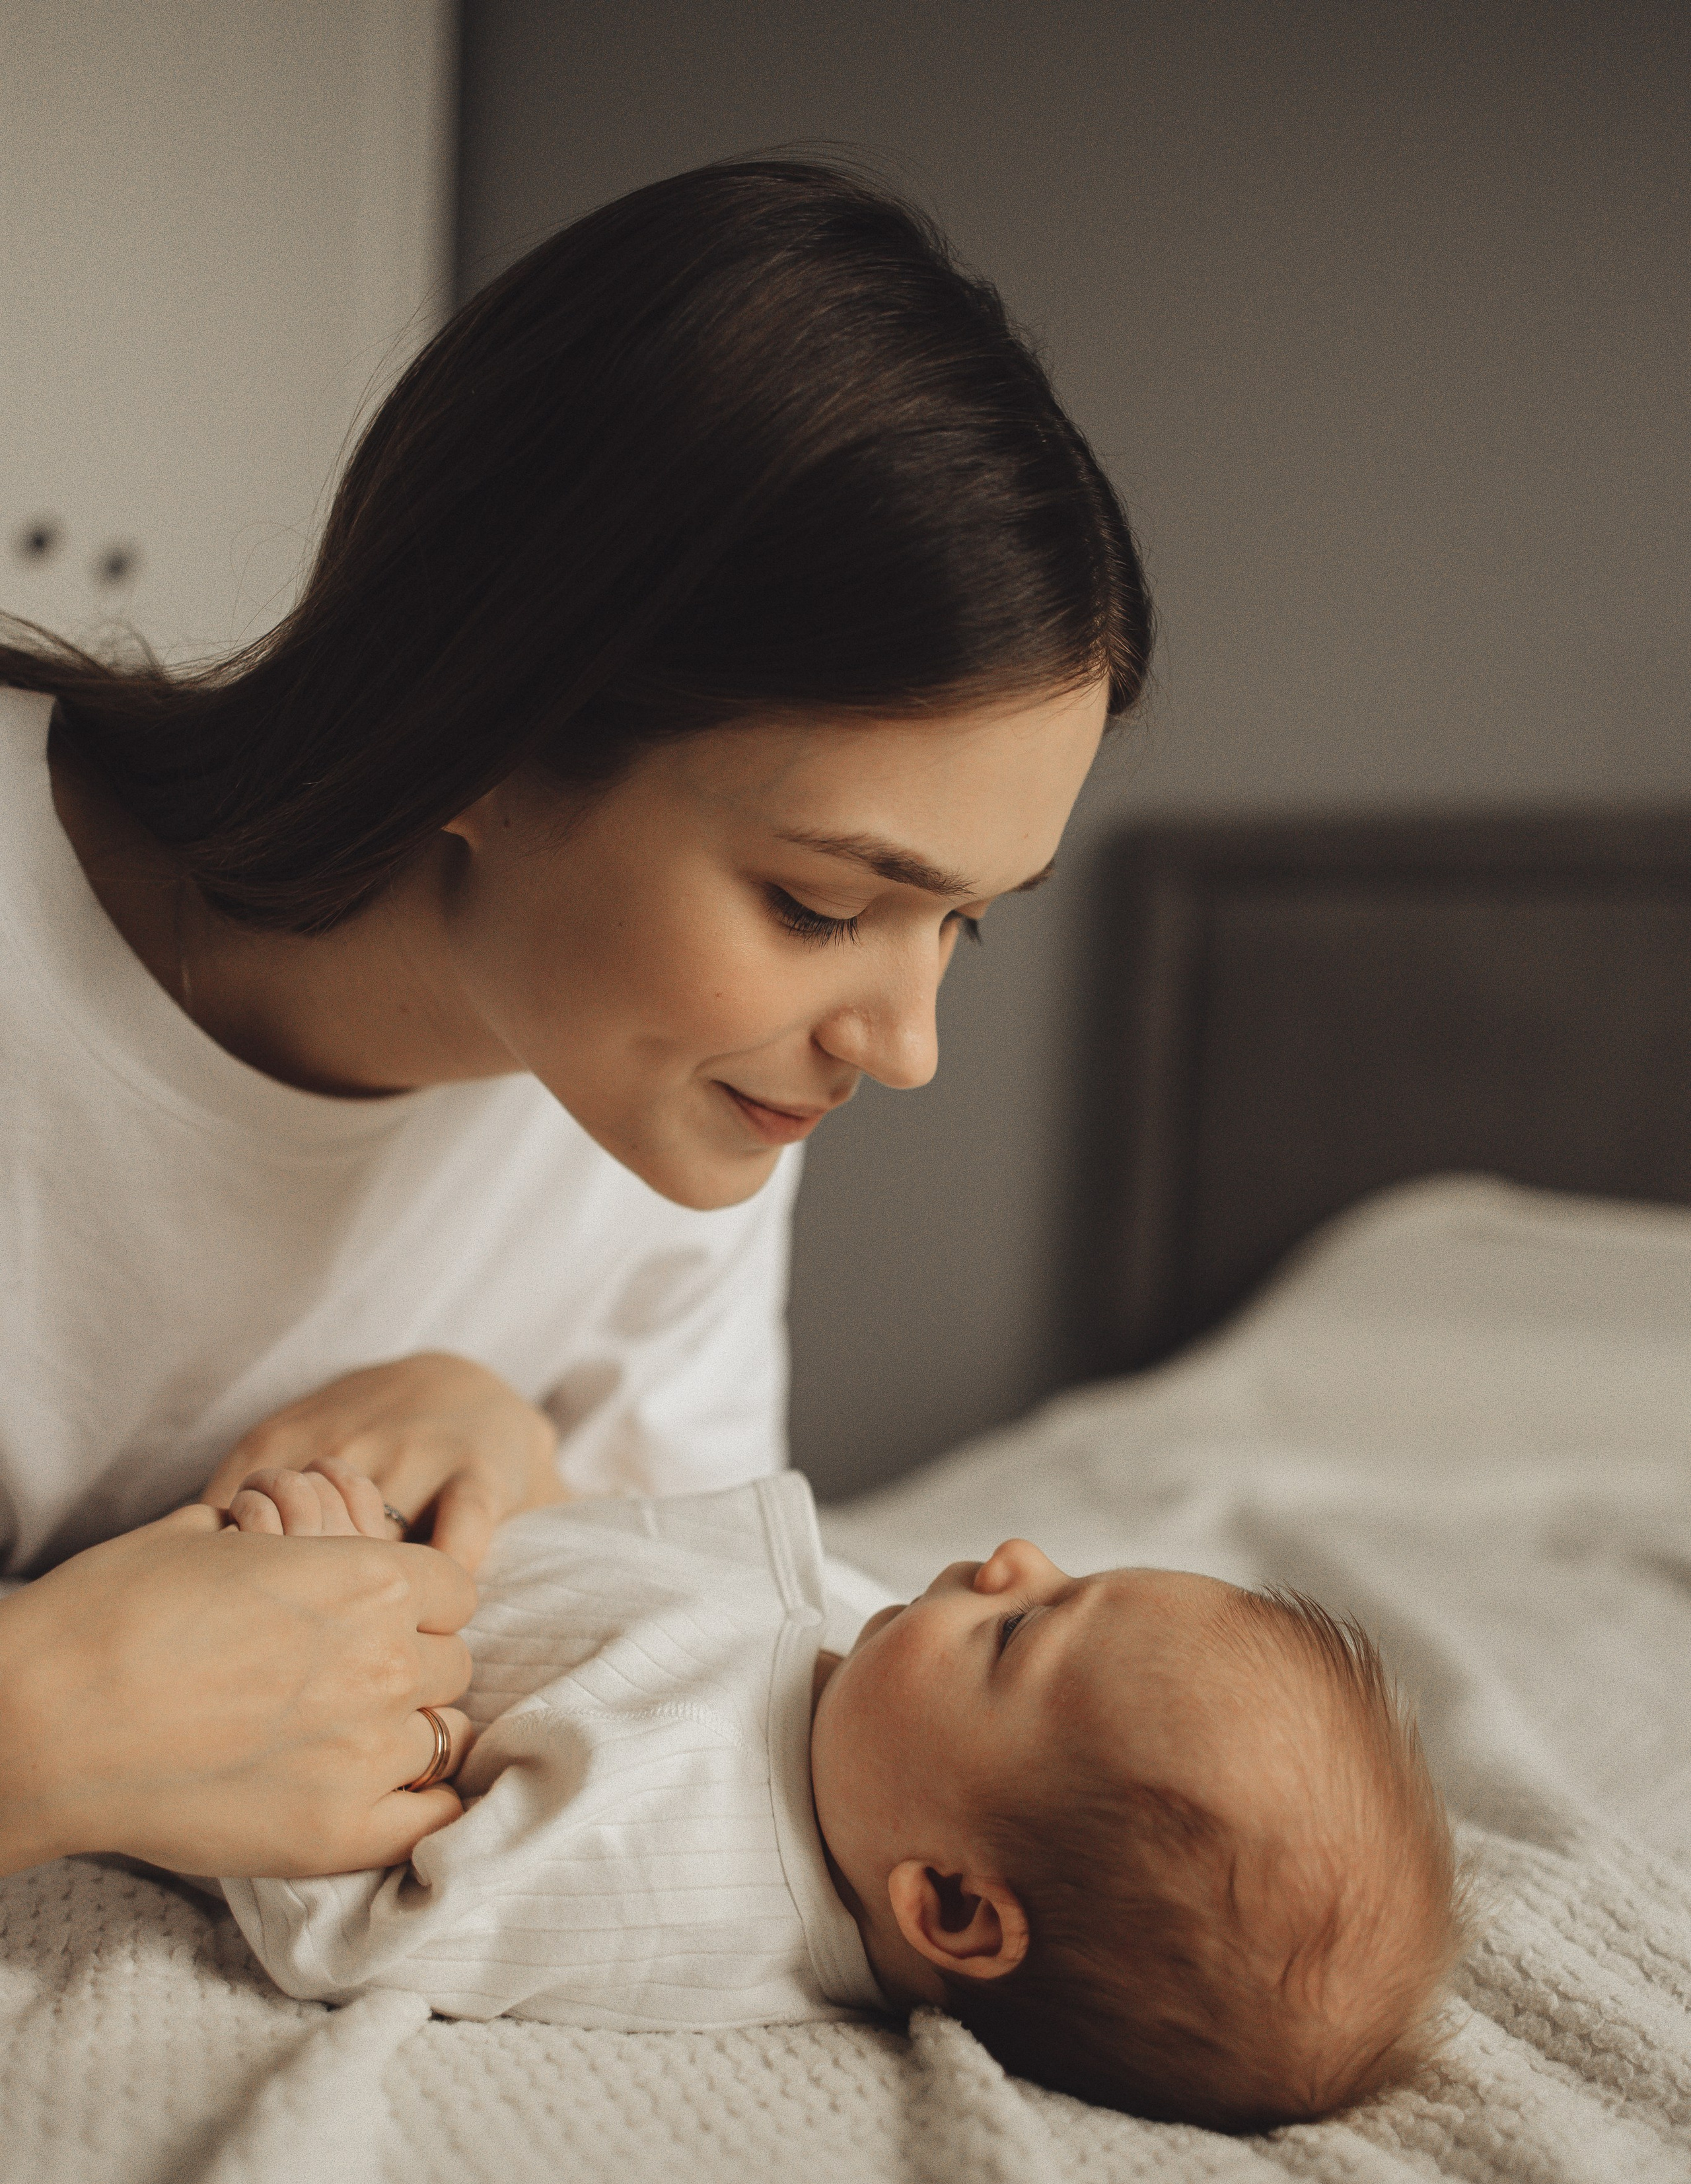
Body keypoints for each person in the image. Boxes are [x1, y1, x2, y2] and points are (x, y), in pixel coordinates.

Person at [0, 162, 1153, 1882]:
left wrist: (513, 1455)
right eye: (822, 906)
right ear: (488, 721)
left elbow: (698, 1684)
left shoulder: (677, 1112)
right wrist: (42, 1730)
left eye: (961, 922)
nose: (902, 1045)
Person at [216, 1460, 1465, 2132]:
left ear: (956, 1907)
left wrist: (284, 1638)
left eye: (1018, 1631)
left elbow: (363, 1930)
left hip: (231, 1608)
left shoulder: (681, 1869)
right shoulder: (876, 1711)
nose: (1011, 1558)